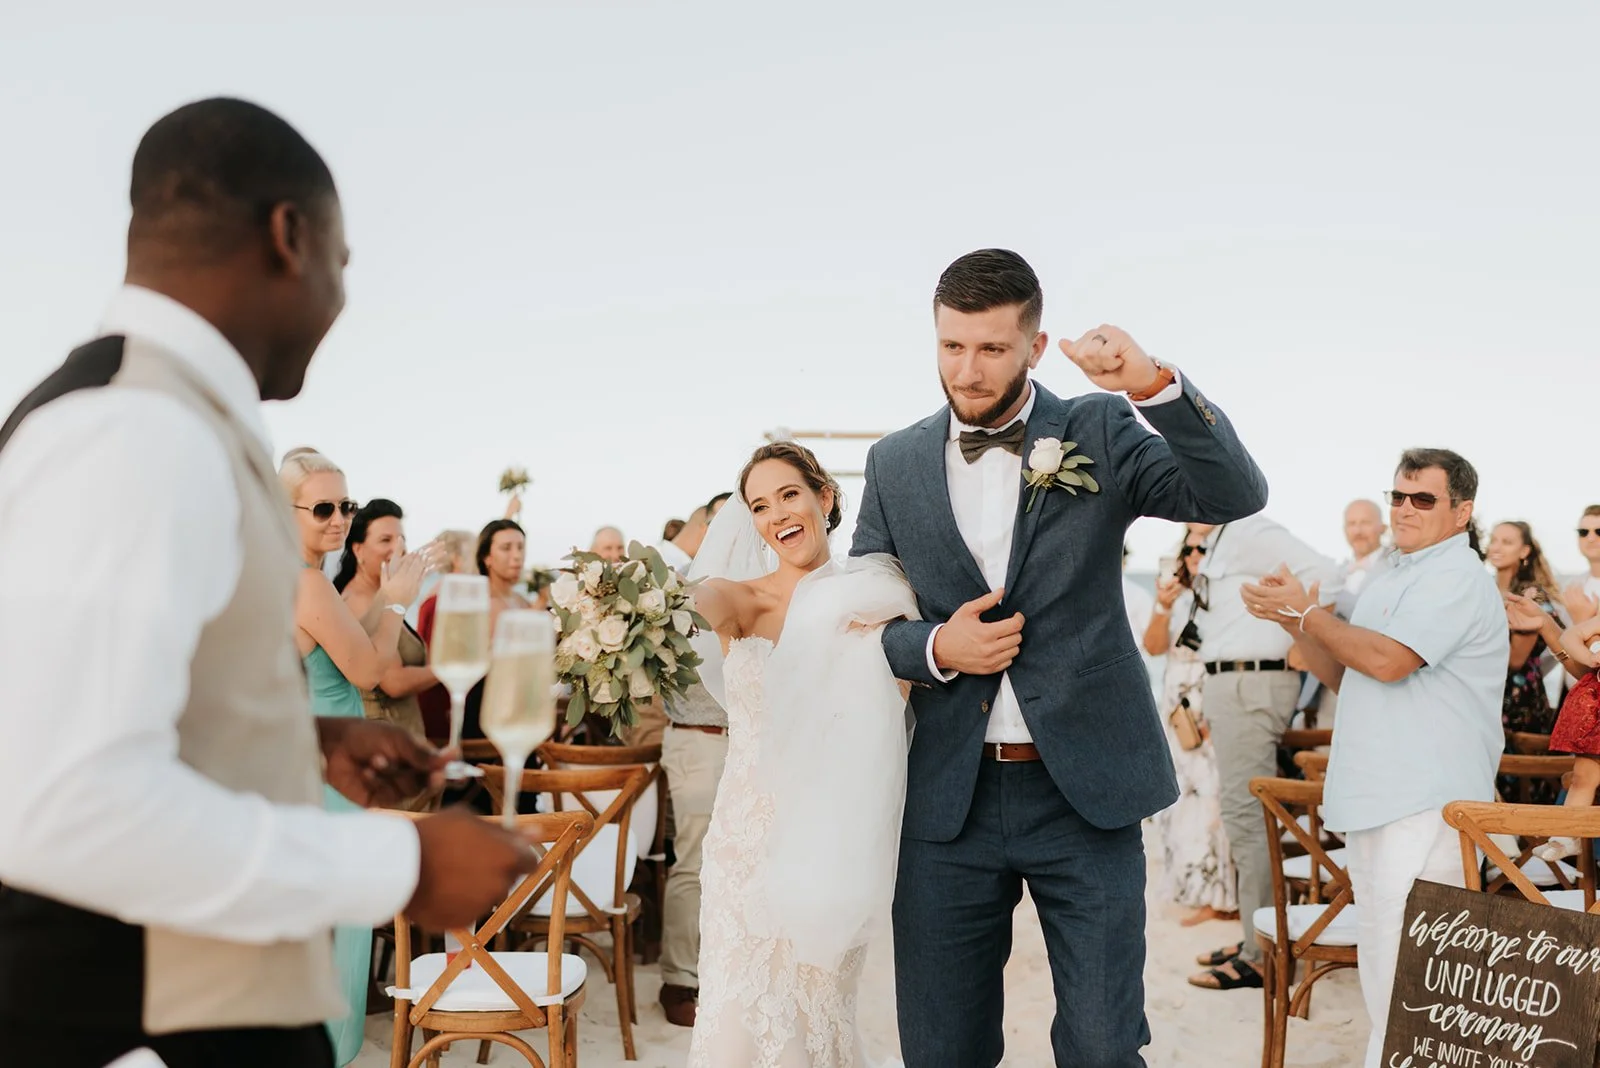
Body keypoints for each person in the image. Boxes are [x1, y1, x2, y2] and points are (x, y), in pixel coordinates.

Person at [0, 97, 539, 1068]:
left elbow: (123, 713)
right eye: (343, 261)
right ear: (290, 235)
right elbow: (60, 803)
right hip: (133, 1027)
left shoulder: (169, 418)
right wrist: (403, 865)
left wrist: (296, 743)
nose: (340, 296)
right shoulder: (132, 431)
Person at [851, 249, 1268, 1065]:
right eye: (951, 347)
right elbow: (863, 621)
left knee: (1105, 1045)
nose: (967, 371)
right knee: (939, 1047)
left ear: (1036, 348)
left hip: (1087, 793)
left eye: (992, 349)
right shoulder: (892, 462)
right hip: (946, 803)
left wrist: (1149, 383)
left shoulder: (1099, 428)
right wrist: (938, 646)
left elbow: (1231, 495)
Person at [1241, 449, 1509, 1068]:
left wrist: (1309, 613)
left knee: (1416, 978)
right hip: (1378, 797)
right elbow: (1351, 673)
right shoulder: (1393, 574)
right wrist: (1297, 625)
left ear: (1462, 512)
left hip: (1427, 801)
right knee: (1388, 970)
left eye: (1422, 499)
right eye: (1397, 496)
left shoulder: (1456, 577)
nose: (1404, 509)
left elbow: (1389, 661)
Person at [689, 442, 917, 1066]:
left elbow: (895, 707)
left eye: (788, 494)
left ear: (825, 497)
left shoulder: (874, 596)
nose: (776, 515)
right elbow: (689, 611)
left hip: (832, 839)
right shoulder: (736, 596)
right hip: (745, 844)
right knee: (738, 1010)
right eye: (758, 505)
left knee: (819, 1011)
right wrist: (645, 613)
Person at [282, 454, 436, 1063]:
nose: (339, 519)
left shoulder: (286, 577)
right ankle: (332, 1050)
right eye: (322, 508)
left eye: (346, 505)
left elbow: (341, 628)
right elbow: (371, 669)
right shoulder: (308, 581)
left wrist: (379, 605)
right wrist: (397, 599)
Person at [1186, 511, 1340, 992]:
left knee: (1247, 816)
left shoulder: (1248, 529)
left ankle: (1260, 955)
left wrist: (1299, 630)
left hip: (1250, 681)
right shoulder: (1222, 539)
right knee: (1243, 815)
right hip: (1232, 682)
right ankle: (1256, 936)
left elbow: (1327, 576)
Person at [1142, 529, 1237, 927]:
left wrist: (1218, 708)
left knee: (1213, 799)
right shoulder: (1176, 597)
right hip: (1176, 702)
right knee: (1181, 799)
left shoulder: (1226, 592)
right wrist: (1162, 608)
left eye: (1204, 547)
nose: (1196, 553)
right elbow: (1152, 646)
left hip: (1210, 698)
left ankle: (1221, 896)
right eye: (1190, 547)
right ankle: (1191, 886)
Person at [334, 499, 441, 748]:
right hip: (384, 744)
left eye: (401, 539)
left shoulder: (383, 596)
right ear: (358, 550)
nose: (398, 549)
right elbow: (393, 682)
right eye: (385, 540)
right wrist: (451, 668)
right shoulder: (359, 601)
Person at [1486, 521, 1565, 739]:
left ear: (1524, 551)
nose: (1496, 547)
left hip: (1517, 701)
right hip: (1484, 693)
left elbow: (1515, 661)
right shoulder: (1483, 587)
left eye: (1507, 542)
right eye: (1493, 540)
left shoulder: (1530, 595)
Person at [1532, 616, 1600, 861]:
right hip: (1596, 713)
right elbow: (1569, 637)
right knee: (1583, 777)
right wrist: (1591, 657)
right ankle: (1565, 836)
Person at [1562, 504, 1600, 624]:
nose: (1590, 538)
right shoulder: (1569, 587)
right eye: (1583, 532)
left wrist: (1582, 621)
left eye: (1599, 531)